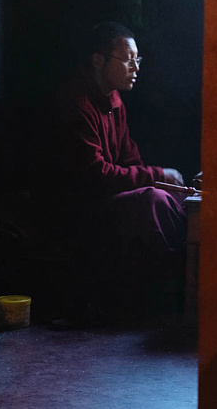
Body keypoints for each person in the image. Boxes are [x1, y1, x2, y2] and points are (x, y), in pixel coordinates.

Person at [52, 22, 188, 324]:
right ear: (99, 60)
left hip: (108, 196)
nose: (136, 68)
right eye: (128, 60)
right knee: (153, 199)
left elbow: (130, 161)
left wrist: (163, 181)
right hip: (80, 207)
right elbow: (95, 175)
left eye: (137, 60)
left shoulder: (114, 100)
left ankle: (187, 283)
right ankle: (176, 293)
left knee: (170, 197)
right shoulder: (76, 103)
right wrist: (157, 176)